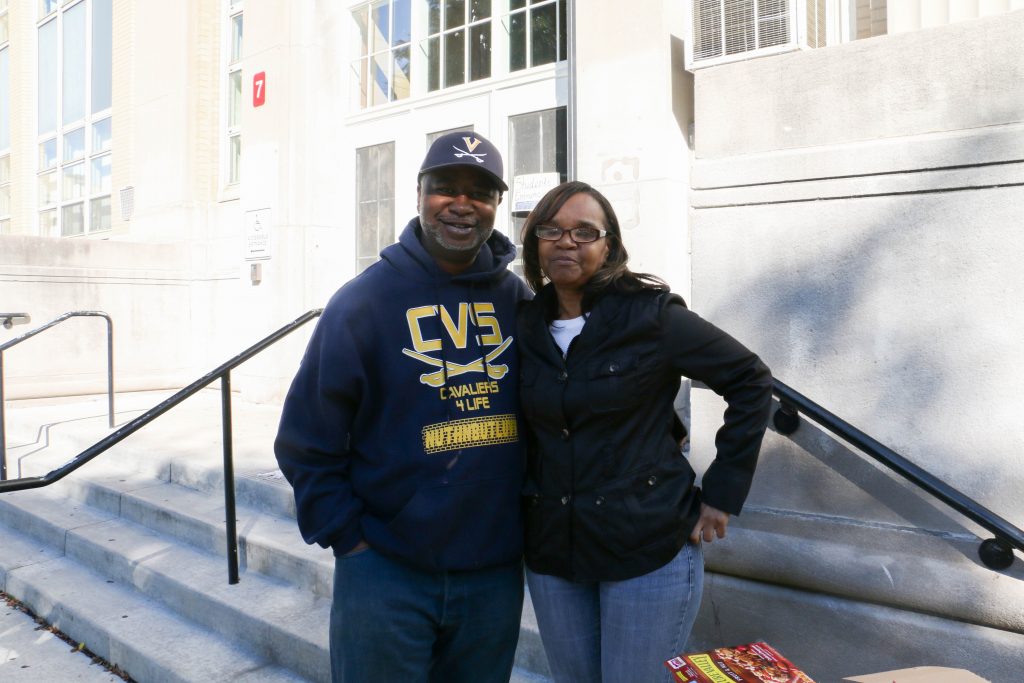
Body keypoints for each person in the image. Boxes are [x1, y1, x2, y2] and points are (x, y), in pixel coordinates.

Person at [274, 131, 531, 683]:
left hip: (493, 572)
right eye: (446, 188)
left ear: (497, 206)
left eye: (480, 192)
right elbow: (305, 438)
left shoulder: (521, 303)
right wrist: (348, 536)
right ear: (418, 194)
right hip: (386, 569)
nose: (463, 204)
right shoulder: (362, 303)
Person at [516, 181, 773, 683]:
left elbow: (751, 379)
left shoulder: (651, 317)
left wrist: (722, 492)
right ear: (535, 244)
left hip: (646, 548)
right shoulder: (524, 325)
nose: (567, 242)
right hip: (554, 550)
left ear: (608, 244)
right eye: (552, 230)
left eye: (585, 232)